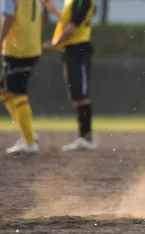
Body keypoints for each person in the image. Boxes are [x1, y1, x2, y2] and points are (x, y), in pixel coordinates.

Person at [42, 0, 96, 151]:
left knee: (81, 94)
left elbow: (72, 27)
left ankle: (86, 137)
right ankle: (83, 137)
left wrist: (55, 44)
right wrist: (52, 10)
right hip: (70, 50)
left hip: (79, 49)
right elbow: (68, 20)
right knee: (76, 95)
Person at [0, 0, 42, 154]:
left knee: (18, 92)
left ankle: (29, 142)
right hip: (31, 47)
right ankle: (28, 133)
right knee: (3, 91)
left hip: (17, 49)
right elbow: (41, 15)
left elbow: (9, 17)